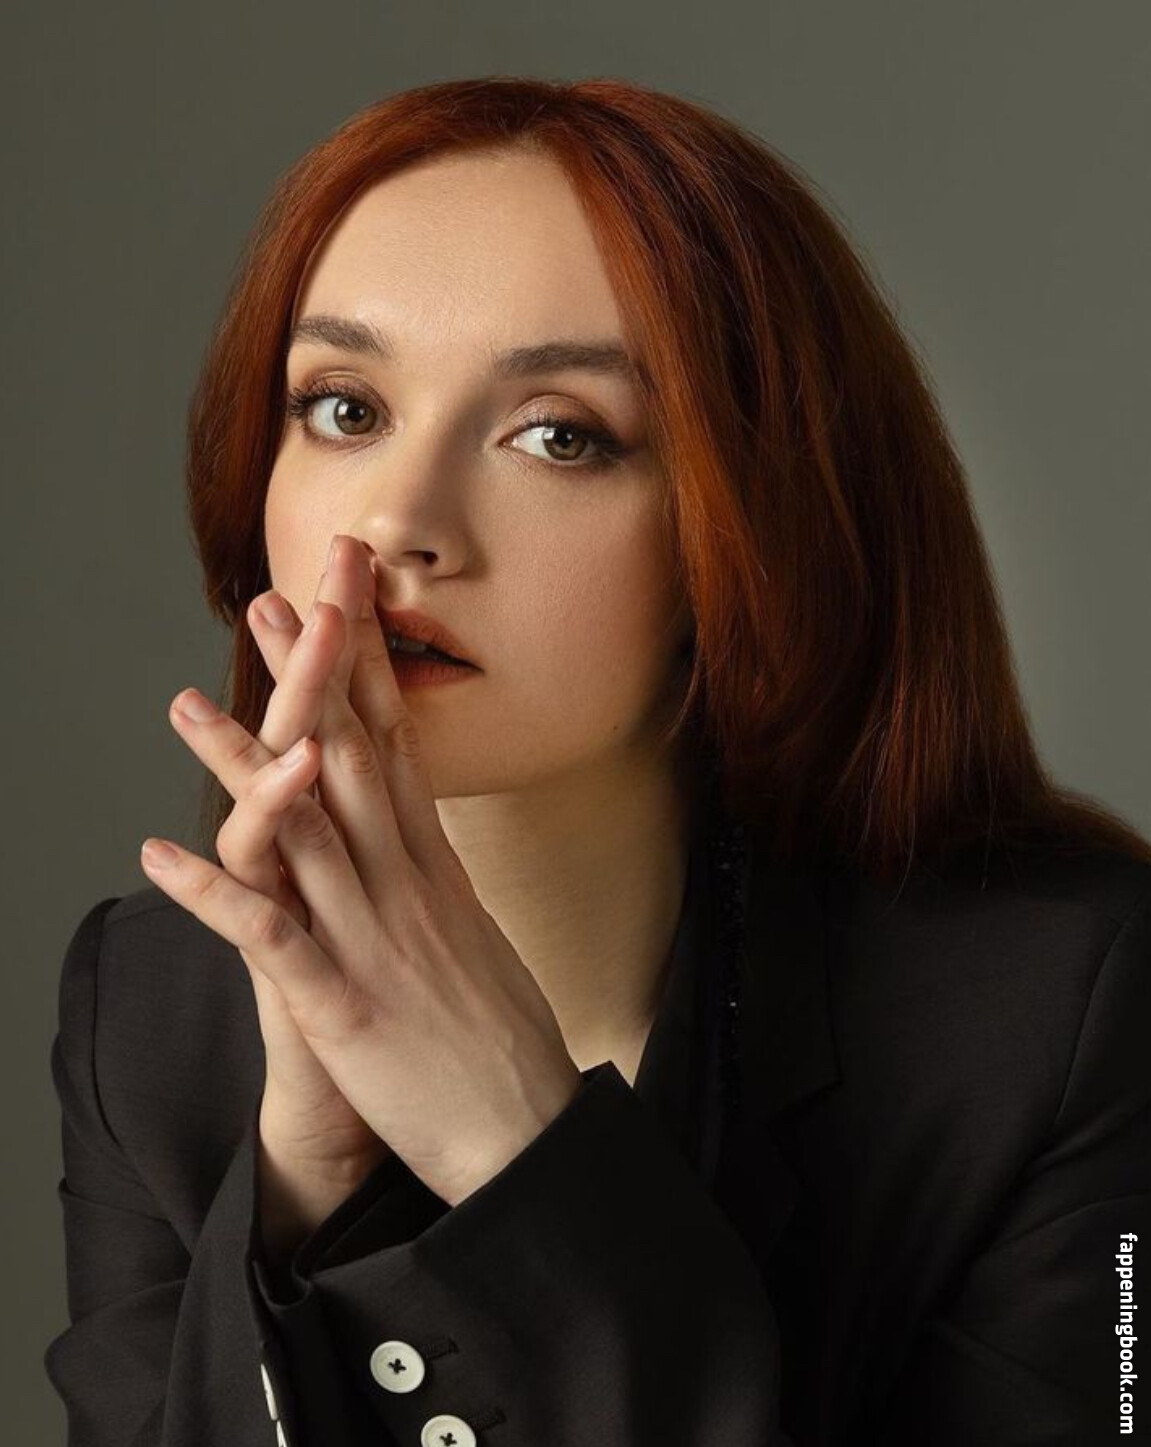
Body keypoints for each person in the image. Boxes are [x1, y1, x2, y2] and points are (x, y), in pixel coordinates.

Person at [44, 76, 1151, 1447]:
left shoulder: (1058, 1013)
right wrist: (307, 1188)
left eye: (559, 435)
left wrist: (518, 1153)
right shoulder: (148, 1012)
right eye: (343, 409)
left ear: (750, 528)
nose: (398, 521)